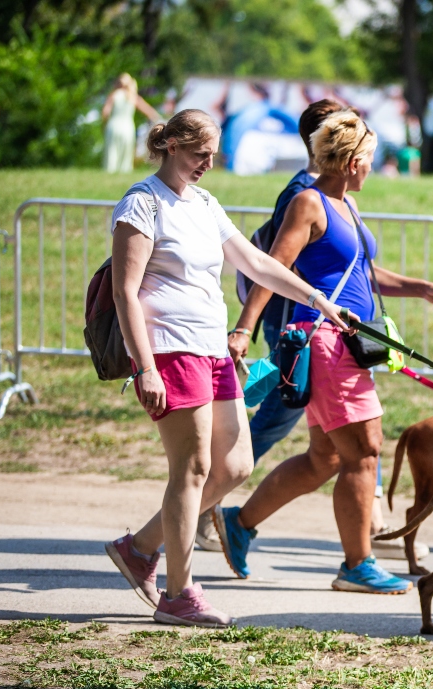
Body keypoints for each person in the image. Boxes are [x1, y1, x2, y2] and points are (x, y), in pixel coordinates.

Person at [104, 109, 349, 627]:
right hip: (170, 349)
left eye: (213, 155)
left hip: (213, 349)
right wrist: (144, 366)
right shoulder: (142, 203)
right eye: (199, 154)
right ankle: (178, 593)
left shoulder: (205, 203)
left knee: (235, 465)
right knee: (190, 470)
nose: (207, 164)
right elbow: (125, 291)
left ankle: (141, 547)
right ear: (170, 144)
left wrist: (317, 299)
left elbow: (256, 263)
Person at [213, 110, 433, 595]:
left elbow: (364, 274)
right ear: (350, 162)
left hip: (343, 342)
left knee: (325, 457)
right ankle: (356, 564)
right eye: (369, 159)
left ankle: (239, 522)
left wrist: (420, 287)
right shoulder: (309, 202)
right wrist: (244, 328)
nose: (373, 167)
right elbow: (271, 269)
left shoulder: (345, 205)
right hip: (324, 342)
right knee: (364, 451)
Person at [190, 98, 343, 552]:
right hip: (295, 333)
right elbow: (270, 265)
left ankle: (368, 525)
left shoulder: (333, 190)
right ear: (324, 140)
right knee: (272, 423)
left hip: (323, 333)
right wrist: (245, 327)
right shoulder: (302, 192)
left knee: (343, 435)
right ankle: (199, 505)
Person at [102, 73, 161, 173]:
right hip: (127, 127)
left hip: (113, 125)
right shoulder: (133, 97)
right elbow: (152, 114)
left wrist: (104, 124)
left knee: (112, 153)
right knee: (126, 155)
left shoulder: (114, 95)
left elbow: (105, 112)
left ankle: (109, 172)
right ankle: (124, 173)